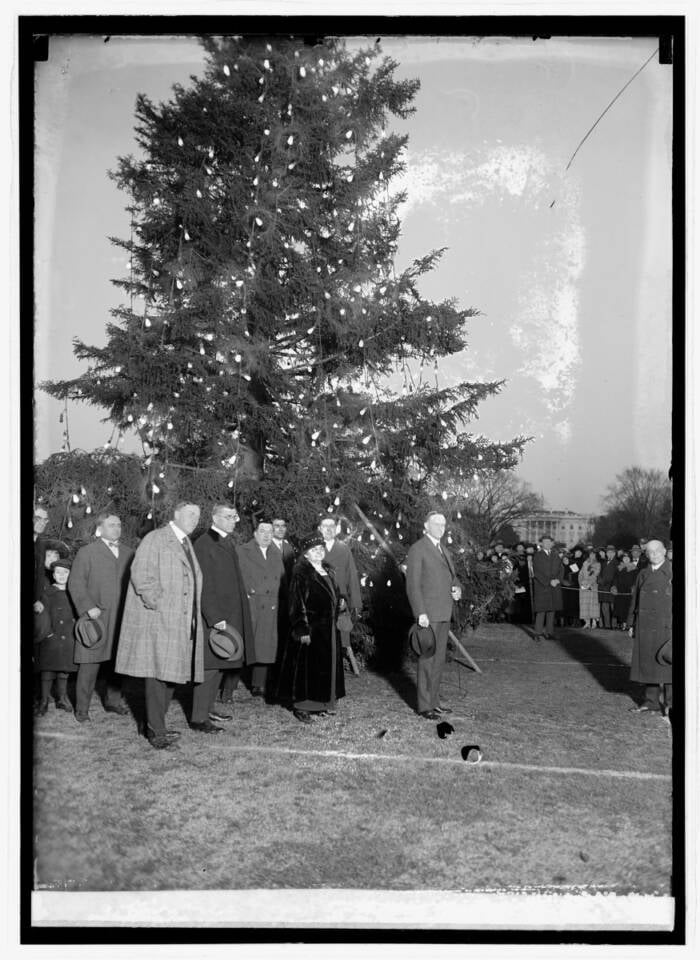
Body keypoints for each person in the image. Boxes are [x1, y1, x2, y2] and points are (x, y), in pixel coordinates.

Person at [115, 501, 205, 749]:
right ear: (176, 515)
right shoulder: (156, 538)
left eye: (198, 515)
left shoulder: (186, 543)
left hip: (180, 622)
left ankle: (155, 724)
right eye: (190, 514)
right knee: (157, 677)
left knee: (170, 677)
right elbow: (141, 574)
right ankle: (156, 731)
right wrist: (160, 605)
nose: (195, 519)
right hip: (160, 621)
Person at [191, 504, 253, 732]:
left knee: (219, 663)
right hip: (216, 616)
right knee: (209, 667)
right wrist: (214, 616)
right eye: (228, 517)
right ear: (214, 518)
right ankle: (198, 718)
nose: (233, 520)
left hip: (229, 613)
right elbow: (203, 583)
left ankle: (207, 709)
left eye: (235, 516)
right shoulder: (205, 543)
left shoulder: (225, 540)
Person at [68, 512, 134, 722]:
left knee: (117, 663)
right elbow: (75, 583)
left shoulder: (129, 553)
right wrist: (87, 607)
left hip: (121, 618)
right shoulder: (87, 552)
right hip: (96, 618)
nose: (117, 528)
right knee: (89, 666)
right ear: (100, 529)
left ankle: (113, 702)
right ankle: (82, 710)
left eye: (119, 524)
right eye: (112, 524)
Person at [277, 534, 346, 723]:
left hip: (329, 630)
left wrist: (341, 603)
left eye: (321, 549)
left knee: (325, 667)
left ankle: (322, 703)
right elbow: (296, 604)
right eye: (314, 550)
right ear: (306, 554)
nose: (318, 552)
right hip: (312, 630)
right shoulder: (301, 574)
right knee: (307, 670)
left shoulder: (327, 571)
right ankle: (302, 707)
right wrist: (302, 629)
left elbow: (334, 594)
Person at [405, 511, 462, 719]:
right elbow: (413, 586)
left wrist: (457, 589)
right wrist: (420, 612)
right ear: (426, 526)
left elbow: (454, 579)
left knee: (438, 661)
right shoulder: (418, 549)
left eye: (443, 524)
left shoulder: (444, 551)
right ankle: (424, 705)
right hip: (428, 614)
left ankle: (434, 701)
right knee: (427, 660)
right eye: (436, 524)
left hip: (444, 613)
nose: (441, 527)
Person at [237, 519, 285, 699]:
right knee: (243, 647)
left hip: (271, 605)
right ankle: (228, 686)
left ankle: (259, 684)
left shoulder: (276, 553)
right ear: (255, 533)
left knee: (266, 646)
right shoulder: (242, 551)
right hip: (252, 604)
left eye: (270, 532)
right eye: (263, 531)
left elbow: (282, 579)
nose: (267, 535)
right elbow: (238, 576)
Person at [627, 539, 672, 715]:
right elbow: (635, 600)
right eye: (650, 552)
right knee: (648, 662)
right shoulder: (643, 574)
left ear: (664, 552)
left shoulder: (672, 572)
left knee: (668, 663)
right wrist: (630, 623)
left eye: (656, 551)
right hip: (645, 625)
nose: (653, 555)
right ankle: (651, 701)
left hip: (666, 626)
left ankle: (671, 703)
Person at [33, 557, 78, 716]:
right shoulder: (47, 592)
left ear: (70, 574)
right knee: (47, 669)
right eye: (58, 572)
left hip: (69, 636)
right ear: (53, 574)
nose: (61, 575)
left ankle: (62, 698)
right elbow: (42, 615)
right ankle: (44, 701)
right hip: (51, 636)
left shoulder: (74, 592)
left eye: (65, 572)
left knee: (64, 670)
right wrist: (48, 633)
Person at [318, 516, 362, 655]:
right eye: (325, 526)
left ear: (336, 530)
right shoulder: (314, 549)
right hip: (318, 600)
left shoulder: (344, 550)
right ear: (320, 529)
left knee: (339, 642)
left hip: (340, 603)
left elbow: (352, 577)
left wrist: (355, 603)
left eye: (332, 526)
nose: (329, 529)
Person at [531, 535, 563, 640]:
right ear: (541, 544)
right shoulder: (537, 556)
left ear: (552, 543)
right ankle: (537, 633)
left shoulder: (556, 555)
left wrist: (558, 579)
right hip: (542, 587)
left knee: (551, 610)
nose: (547, 544)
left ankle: (549, 632)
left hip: (554, 587)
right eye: (545, 542)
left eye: (549, 542)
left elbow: (561, 569)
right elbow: (537, 572)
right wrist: (549, 581)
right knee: (541, 611)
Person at [611, 552, 638, 630]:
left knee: (628, 608)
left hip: (629, 591)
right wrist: (614, 587)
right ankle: (621, 623)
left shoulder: (634, 568)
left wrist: (634, 587)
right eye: (624, 557)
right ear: (622, 559)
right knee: (620, 608)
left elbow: (636, 580)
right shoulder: (618, 568)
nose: (626, 559)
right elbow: (615, 578)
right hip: (620, 591)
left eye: (628, 558)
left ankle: (627, 624)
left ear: (630, 559)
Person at [577, 548, 601, 629]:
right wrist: (581, 584)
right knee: (585, 605)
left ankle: (594, 622)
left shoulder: (597, 564)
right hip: (583, 587)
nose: (592, 555)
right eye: (591, 554)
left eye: (593, 554)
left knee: (592, 605)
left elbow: (595, 575)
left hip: (592, 586)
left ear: (595, 555)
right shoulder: (585, 563)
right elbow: (580, 574)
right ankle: (587, 623)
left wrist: (589, 584)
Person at [598, 545, 618, 628]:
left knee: (614, 607)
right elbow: (600, 573)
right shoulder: (603, 563)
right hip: (603, 588)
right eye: (608, 552)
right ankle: (607, 625)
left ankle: (614, 625)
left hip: (612, 587)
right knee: (604, 607)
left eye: (611, 552)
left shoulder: (617, 563)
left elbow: (616, 576)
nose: (609, 554)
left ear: (614, 553)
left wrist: (605, 581)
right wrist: (599, 579)